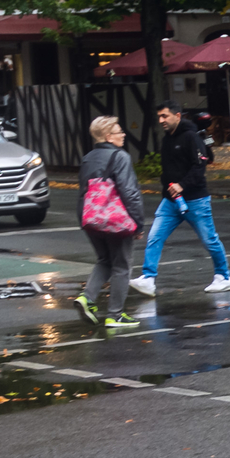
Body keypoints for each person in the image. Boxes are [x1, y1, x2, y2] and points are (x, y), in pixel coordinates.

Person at [131, 103, 230, 296]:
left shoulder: (191, 137)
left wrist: (182, 185)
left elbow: (200, 166)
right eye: (159, 117)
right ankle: (148, 278)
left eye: (165, 116)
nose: (161, 120)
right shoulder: (167, 139)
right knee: (154, 236)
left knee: (209, 239)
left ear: (177, 116)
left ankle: (224, 277)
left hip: (195, 199)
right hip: (171, 201)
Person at [77, 115, 147, 329]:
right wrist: (138, 222)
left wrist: (83, 218)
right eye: (119, 132)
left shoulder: (88, 158)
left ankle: (86, 298)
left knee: (104, 260)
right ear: (108, 136)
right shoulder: (120, 156)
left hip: (89, 217)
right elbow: (129, 192)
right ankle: (115, 315)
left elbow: (84, 191)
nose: (123, 135)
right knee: (121, 266)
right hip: (115, 219)